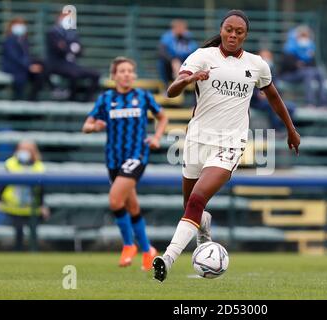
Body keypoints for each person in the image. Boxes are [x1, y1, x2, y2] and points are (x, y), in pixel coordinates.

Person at [152, 10, 300, 282]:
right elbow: (172, 90)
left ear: (245, 35)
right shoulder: (201, 56)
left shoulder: (257, 65)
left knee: (197, 199)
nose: (233, 35)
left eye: (239, 32)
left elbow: (274, 97)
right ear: (221, 30)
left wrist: (291, 129)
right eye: (228, 29)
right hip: (196, 140)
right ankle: (204, 229)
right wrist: (187, 79)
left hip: (230, 143)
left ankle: (167, 258)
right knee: (191, 206)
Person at [82, 56, 168, 270]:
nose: (127, 74)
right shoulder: (106, 99)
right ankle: (148, 251)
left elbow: (162, 117)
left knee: (114, 200)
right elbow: (86, 125)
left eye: (130, 70)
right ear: (114, 76)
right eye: (122, 71)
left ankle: (129, 244)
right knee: (131, 205)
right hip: (113, 158)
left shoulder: (143, 96)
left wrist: (156, 137)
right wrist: (95, 127)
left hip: (136, 156)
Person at [0, 141, 49, 251]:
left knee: (33, 231)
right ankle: (18, 252)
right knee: (18, 230)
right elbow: (2, 184)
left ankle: (34, 253)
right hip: (13, 206)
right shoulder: (10, 163)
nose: (24, 152)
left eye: (27, 149)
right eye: (22, 149)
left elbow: (42, 189)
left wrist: (42, 205)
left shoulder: (39, 166)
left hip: (31, 206)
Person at [46, 13, 100, 102]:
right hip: (58, 64)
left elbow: (80, 51)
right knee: (74, 74)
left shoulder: (72, 34)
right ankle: (71, 99)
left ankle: (86, 100)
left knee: (96, 74)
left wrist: (73, 49)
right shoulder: (53, 33)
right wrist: (70, 48)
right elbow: (59, 49)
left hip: (72, 65)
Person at [278, 25, 327, 108]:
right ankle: (310, 103)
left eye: (306, 36)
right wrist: (296, 64)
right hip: (288, 75)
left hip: (303, 73)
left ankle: (324, 103)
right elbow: (286, 65)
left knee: (319, 72)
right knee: (308, 73)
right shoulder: (289, 47)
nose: (304, 38)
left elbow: (313, 66)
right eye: (303, 36)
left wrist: (309, 58)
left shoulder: (309, 48)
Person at [251, 49, 297, 133]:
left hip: (271, 99)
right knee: (272, 106)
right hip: (256, 102)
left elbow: (276, 89)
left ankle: (285, 129)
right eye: (263, 57)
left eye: (268, 57)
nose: (266, 59)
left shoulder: (272, 72)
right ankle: (276, 130)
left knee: (291, 107)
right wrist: (258, 94)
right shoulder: (251, 71)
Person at [1, 17, 46, 101]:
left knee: (40, 68)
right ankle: (18, 102)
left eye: (22, 25)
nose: (20, 27)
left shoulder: (23, 40)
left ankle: (32, 99)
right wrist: (29, 66)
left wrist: (32, 65)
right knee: (22, 76)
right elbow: (15, 58)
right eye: (17, 24)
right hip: (13, 68)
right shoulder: (9, 40)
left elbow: (26, 56)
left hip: (22, 66)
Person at [158, 19, 198, 88]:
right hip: (169, 66)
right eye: (179, 28)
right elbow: (161, 52)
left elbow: (194, 51)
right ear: (174, 28)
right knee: (163, 63)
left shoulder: (188, 38)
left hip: (185, 64)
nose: (181, 30)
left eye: (183, 28)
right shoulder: (167, 37)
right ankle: (166, 86)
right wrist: (172, 60)